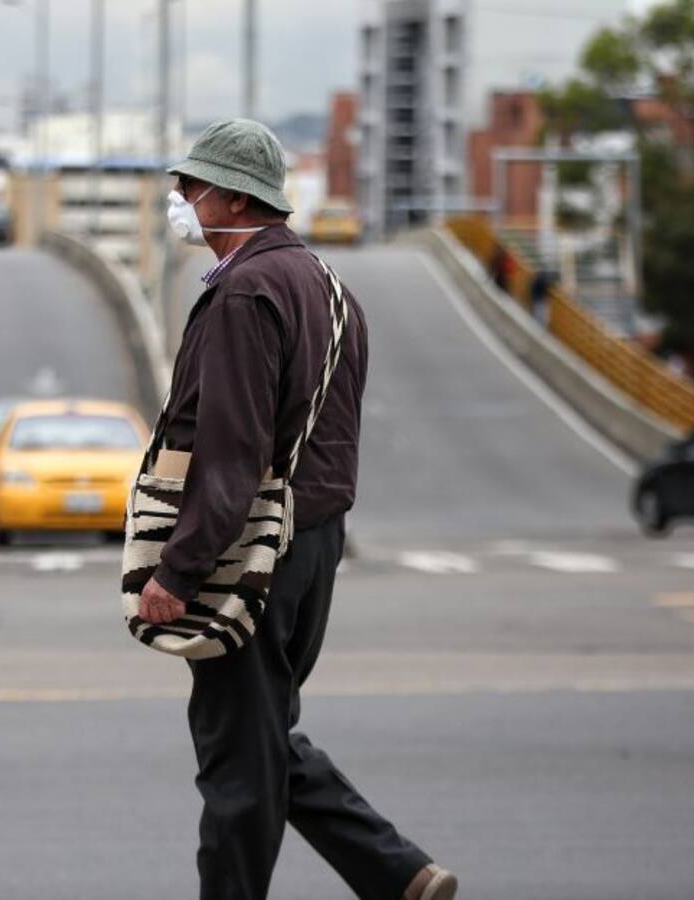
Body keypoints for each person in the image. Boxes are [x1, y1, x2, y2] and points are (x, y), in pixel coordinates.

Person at [136, 118, 458, 900]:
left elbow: (233, 449)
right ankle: (398, 873)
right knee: (261, 731)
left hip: (250, 547)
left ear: (237, 200)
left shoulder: (246, 293)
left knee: (236, 764)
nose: (179, 197)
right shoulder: (329, 286)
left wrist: (179, 569)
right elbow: (334, 437)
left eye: (192, 184)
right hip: (312, 543)